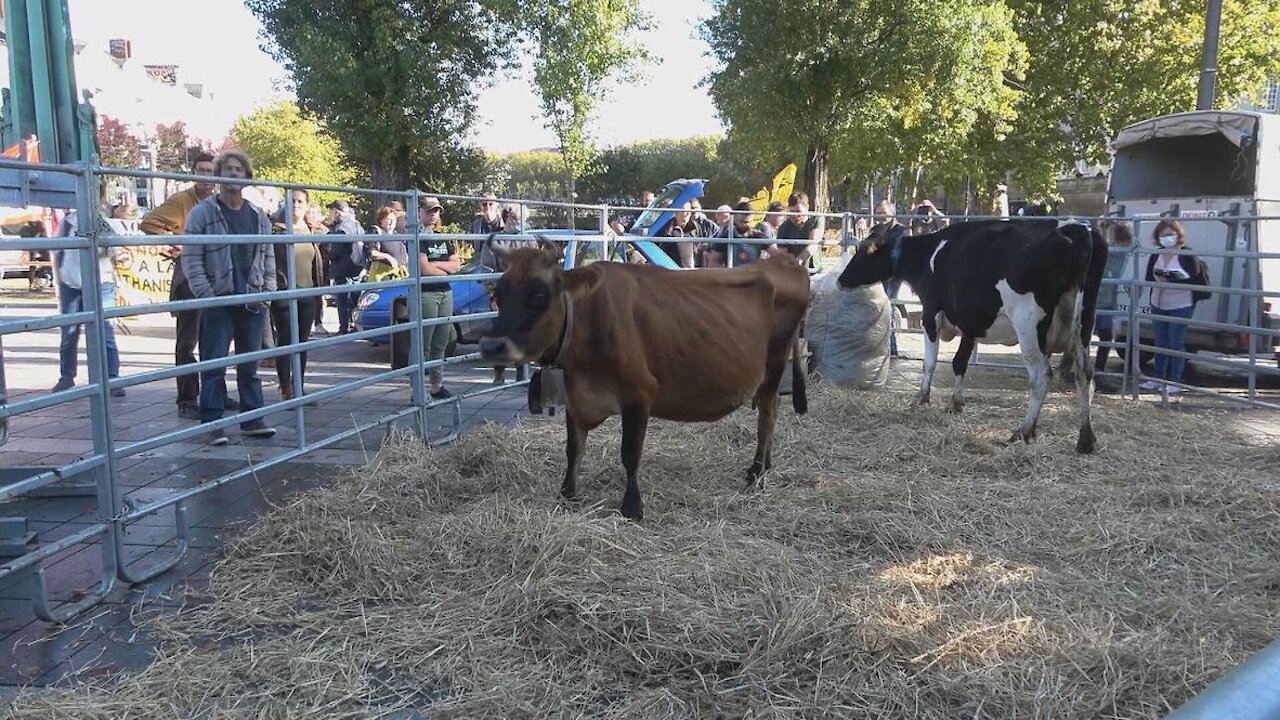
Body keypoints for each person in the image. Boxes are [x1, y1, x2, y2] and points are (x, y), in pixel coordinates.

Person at [181, 151, 278, 445]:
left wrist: (269, 292)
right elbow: (192, 258)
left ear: (247, 177)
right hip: (219, 302)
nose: (233, 174)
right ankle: (212, 422)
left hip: (252, 300)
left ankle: (252, 418)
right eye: (228, 169)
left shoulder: (259, 216)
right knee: (214, 364)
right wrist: (206, 295)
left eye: (239, 169)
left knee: (250, 364)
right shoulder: (203, 214)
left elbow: (269, 254)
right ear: (218, 175)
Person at [140, 153, 222, 418]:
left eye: (210, 172)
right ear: (192, 172)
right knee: (187, 341)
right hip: (189, 277)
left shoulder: (218, 204)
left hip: (215, 278)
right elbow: (148, 223)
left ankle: (215, 393)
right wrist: (178, 243)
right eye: (201, 171)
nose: (206, 177)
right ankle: (187, 399)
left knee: (215, 340)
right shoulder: (182, 201)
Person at [51, 202, 125, 397]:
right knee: (69, 332)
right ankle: (67, 376)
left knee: (106, 332)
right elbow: (57, 249)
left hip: (101, 283)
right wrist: (60, 275)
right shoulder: (68, 221)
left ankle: (112, 377)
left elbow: (116, 252)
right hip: (72, 284)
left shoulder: (105, 221)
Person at [1140, 219, 1208, 394]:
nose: (1167, 238)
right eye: (1163, 235)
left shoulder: (1187, 254)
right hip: (1158, 303)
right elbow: (1148, 277)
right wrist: (1160, 277)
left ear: (1178, 235)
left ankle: (1175, 380)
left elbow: (1195, 278)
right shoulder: (1157, 254)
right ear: (1158, 237)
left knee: (1175, 343)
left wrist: (1173, 277)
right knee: (1160, 343)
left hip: (1181, 304)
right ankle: (1157, 378)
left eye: (1170, 234)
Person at [271, 210, 325, 401]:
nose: (296, 205)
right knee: (285, 340)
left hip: (307, 292)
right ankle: (286, 388)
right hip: (284, 292)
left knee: (302, 342)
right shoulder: (276, 232)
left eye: (300, 202)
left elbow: (316, 263)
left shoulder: (311, 231)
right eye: (292, 201)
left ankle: (298, 388)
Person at [417, 196, 461, 399]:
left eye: (435, 211)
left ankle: (436, 386)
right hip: (426, 293)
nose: (433, 214)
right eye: (428, 210)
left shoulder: (443, 237)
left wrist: (436, 267)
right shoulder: (418, 237)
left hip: (445, 292)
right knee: (423, 343)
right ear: (419, 212)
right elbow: (423, 269)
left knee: (440, 342)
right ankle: (417, 389)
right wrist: (445, 268)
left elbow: (457, 266)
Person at [1093, 220, 1134, 384]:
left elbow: (1133, 243)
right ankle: (1094, 371)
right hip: (1098, 299)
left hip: (1106, 300)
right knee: (1100, 336)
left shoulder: (1117, 252)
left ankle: (1097, 371)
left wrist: (1115, 226)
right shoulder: (1111, 251)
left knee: (1105, 336)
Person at [869, 200, 908, 357]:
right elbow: (869, 249)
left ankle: (892, 349)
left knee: (888, 306)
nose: (881, 217)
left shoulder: (901, 231)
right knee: (876, 308)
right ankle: (878, 346)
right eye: (878, 213)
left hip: (893, 274)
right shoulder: (877, 230)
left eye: (884, 213)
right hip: (878, 273)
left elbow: (895, 253)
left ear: (892, 213)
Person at [325, 200, 365, 334]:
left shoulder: (340, 228)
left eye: (331, 211)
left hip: (343, 270)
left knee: (342, 302)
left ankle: (344, 328)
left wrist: (325, 247)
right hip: (358, 269)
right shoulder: (357, 225)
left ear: (337, 211)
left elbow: (334, 251)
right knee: (355, 300)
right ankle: (355, 325)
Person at [718, 200, 774, 267]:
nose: (745, 224)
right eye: (742, 221)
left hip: (753, 275)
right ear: (734, 216)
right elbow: (713, 259)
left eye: (747, 222)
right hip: (732, 275)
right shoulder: (725, 236)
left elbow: (777, 253)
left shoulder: (758, 236)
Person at [771, 191, 820, 264]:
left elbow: (814, 243)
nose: (795, 215)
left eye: (798, 211)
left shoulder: (816, 219)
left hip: (813, 267)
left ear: (807, 207)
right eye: (792, 211)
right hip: (791, 268)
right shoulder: (784, 227)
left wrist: (800, 259)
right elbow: (782, 251)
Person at [367, 206, 409, 281]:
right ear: (381, 220)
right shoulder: (376, 231)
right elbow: (372, 253)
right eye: (388, 219)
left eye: (393, 219)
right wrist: (387, 257)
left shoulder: (398, 237)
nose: (392, 221)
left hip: (399, 277)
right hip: (382, 278)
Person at [658, 202, 703, 268]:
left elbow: (698, 245)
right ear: (676, 212)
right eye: (683, 210)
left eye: (688, 211)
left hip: (690, 271)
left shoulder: (695, 227)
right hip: (671, 269)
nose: (686, 214)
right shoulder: (667, 228)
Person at [469, 193, 503, 258]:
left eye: (491, 204)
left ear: (496, 205)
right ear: (481, 207)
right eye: (484, 204)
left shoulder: (504, 223)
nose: (487, 207)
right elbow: (475, 247)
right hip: (481, 261)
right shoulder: (475, 225)